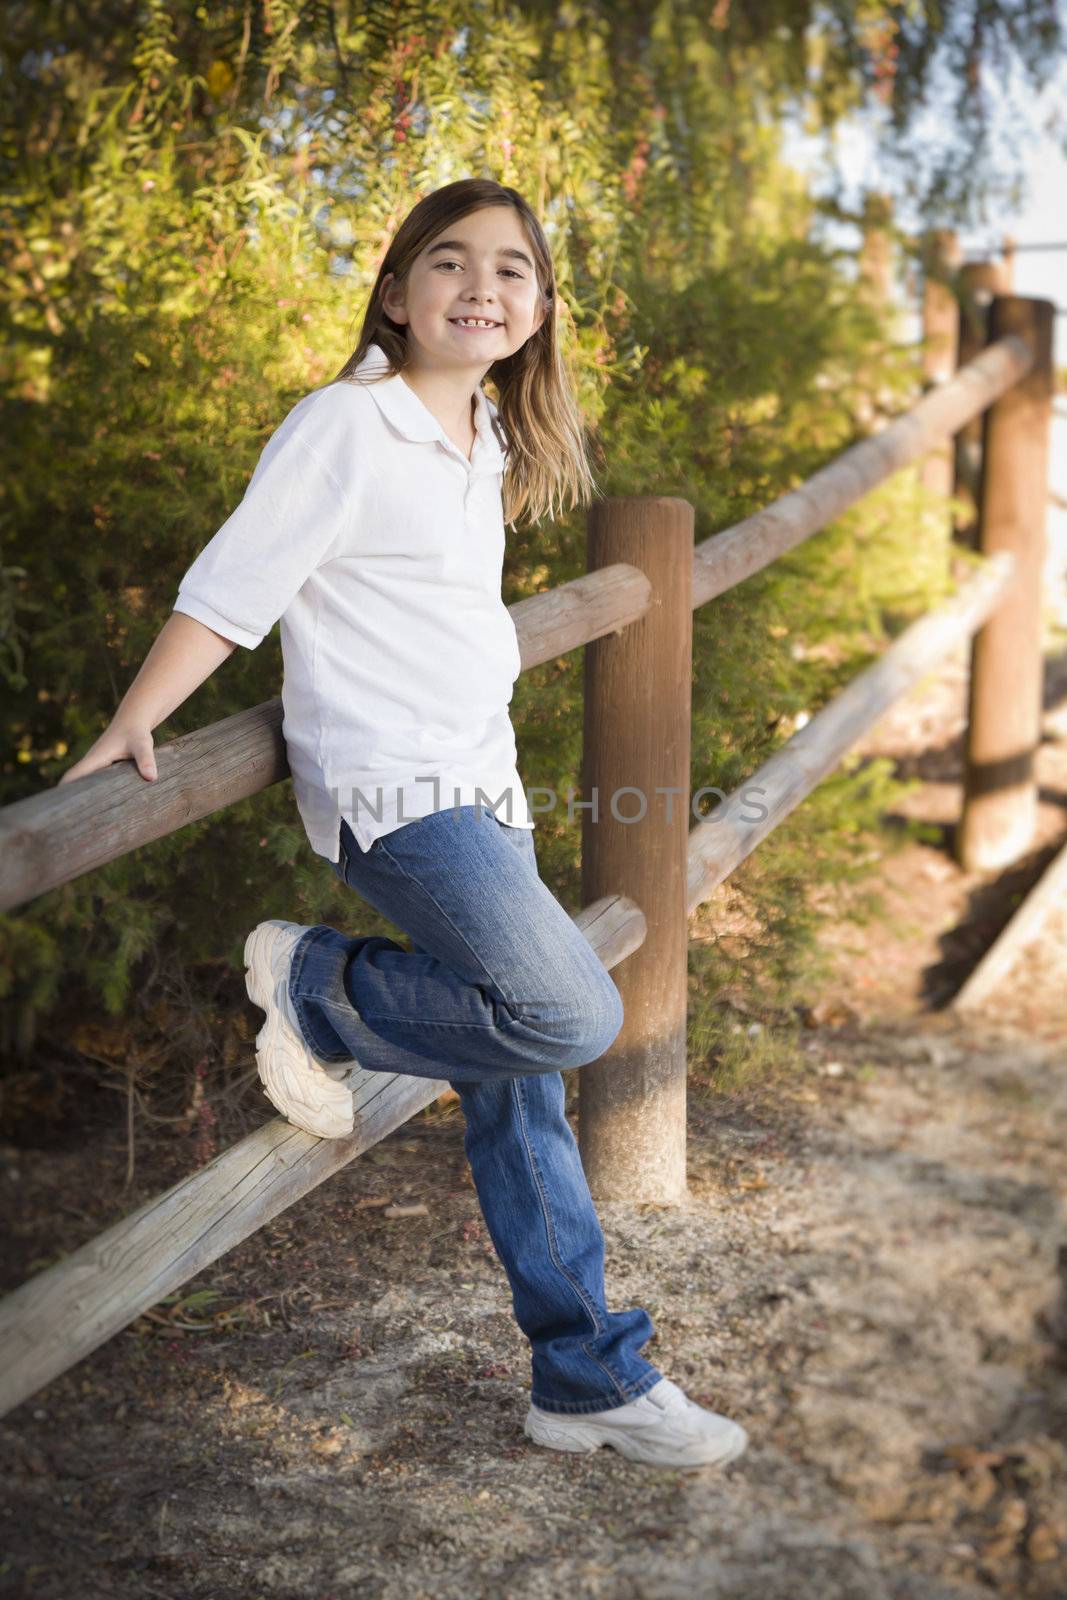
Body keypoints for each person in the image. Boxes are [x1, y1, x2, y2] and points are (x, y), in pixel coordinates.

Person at [59, 178, 748, 1470]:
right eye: (449, 261)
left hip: (481, 787)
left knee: (520, 1089)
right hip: (395, 795)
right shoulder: (344, 425)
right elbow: (236, 585)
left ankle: (585, 1379)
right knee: (575, 1013)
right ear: (395, 291)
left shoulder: (480, 432)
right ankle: (314, 978)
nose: (481, 286)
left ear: (538, 310)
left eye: (512, 270)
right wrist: (133, 718)